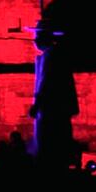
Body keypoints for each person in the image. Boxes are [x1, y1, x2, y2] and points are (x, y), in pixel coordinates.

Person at [30, 15, 79, 171]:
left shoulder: (51, 56)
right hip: (55, 111)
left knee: (49, 143)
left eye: (37, 36)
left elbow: (46, 82)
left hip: (51, 111)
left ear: (44, 37)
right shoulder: (53, 55)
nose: (34, 40)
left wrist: (36, 105)